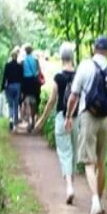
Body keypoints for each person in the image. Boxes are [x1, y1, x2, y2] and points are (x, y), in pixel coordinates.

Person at [64, 36, 107, 214]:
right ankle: (98, 201)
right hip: (106, 119)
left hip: (88, 116)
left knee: (89, 162)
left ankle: (95, 202)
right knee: (101, 163)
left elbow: (74, 95)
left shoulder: (85, 66)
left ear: (94, 49)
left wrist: (68, 116)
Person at [35, 42, 79, 204]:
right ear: (72, 58)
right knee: (73, 152)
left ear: (61, 57)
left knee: (65, 152)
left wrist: (42, 119)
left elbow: (52, 100)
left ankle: (69, 187)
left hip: (62, 118)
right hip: (76, 119)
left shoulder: (58, 77)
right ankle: (71, 184)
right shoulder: (78, 76)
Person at [21, 44, 42, 132]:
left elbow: (21, 72)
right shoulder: (35, 60)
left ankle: (29, 121)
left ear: (25, 51)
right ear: (32, 51)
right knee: (34, 102)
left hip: (26, 82)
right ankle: (33, 120)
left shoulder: (23, 61)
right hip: (34, 82)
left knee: (26, 102)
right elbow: (39, 71)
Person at [1, 47, 22, 131]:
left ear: (11, 56)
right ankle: (15, 124)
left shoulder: (7, 65)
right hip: (17, 86)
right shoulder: (20, 66)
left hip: (9, 86)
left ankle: (10, 119)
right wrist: (22, 89)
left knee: (10, 105)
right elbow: (21, 78)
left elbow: (4, 77)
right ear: (16, 57)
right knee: (16, 105)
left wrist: (2, 87)